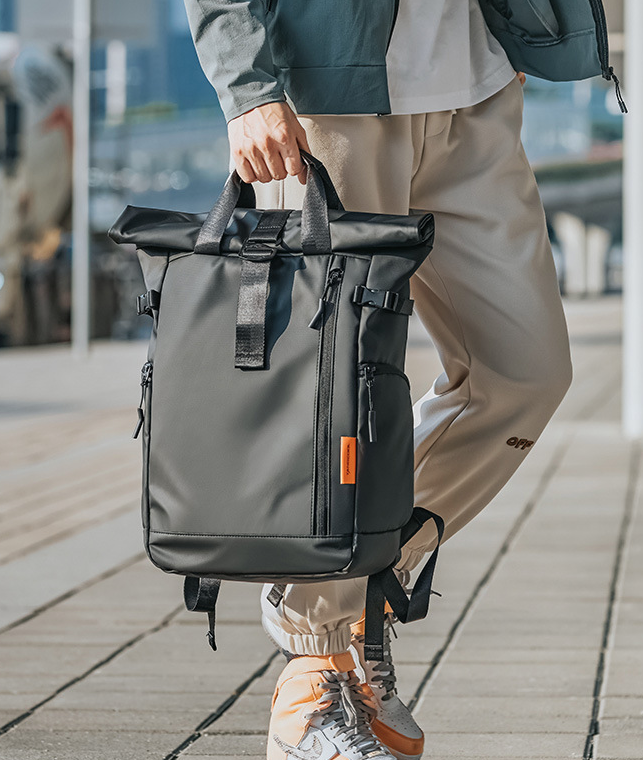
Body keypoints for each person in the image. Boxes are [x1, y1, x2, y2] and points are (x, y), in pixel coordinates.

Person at [183, 2, 611, 759]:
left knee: (524, 371)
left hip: (474, 91)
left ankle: (353, 581)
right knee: (332, 389)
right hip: (327, 96)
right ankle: (316, 662)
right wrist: (247, 87)